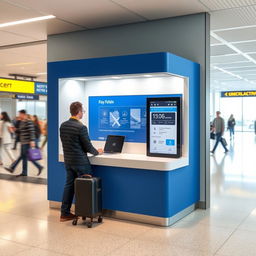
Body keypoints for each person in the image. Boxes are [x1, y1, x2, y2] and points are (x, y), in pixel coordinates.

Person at [59, 102, 103, 222]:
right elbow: (88, 147)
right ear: (78, 112)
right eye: (83, 111)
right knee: (85, 188)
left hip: (68, 161)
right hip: (81, 163)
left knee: (69, 187)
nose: (83, 113)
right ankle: (86, 213)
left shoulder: (63, 125)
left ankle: (64, 213)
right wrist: (97, 152)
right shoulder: (81, 127)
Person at [4, 110, 43, 177]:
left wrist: (32, 141)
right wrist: (15, 130)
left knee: (22, 156)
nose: (19, 115)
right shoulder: (22, 122)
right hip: (23, 142)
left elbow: (32, 131)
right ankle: (28, 171)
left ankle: (12, 168)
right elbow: (20, 131)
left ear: (23, 114)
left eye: (20, 114)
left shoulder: (29, 121)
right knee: (24, 157)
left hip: (27, 143)